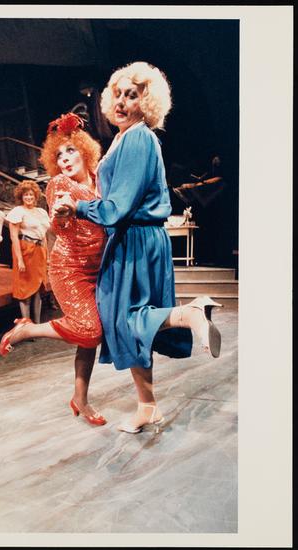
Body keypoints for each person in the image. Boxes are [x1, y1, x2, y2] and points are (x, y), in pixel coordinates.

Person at [56, 62, 222, 434]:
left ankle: (189, 313)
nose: (121, 102)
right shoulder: (124, 137)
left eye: (132, 96)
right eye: (117, 94)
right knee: (127, 322)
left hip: (135, 238)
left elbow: (118, 207)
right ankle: (148, 406)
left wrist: (79, 207)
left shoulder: (138, 138)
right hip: (131, 238)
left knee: (125, 318)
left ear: (146, 103)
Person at [0, 113, 107, 426]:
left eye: (70, 151)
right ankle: (28, 329)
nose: (64, 159)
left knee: (88, 338)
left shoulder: (101, 178)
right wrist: (61, 215)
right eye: (58, 155)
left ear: (85, 150)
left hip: (99, 267)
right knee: (91, 330)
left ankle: (80, 399)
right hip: (70, 268)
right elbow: (60, 228)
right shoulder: (59, 184)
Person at [5, 180, 50, 324]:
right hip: (25, 250)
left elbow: (44, 236)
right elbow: (13, 237)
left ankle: (37, 324)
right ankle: (26, 324)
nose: (29, 197)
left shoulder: (42, 212)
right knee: (25, 289)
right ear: (21, 197)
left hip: (39, 251)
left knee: (37, 289)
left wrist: (47, 256)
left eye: (31, 194)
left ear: (35, 196)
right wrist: (19, 260)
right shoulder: (18, 212)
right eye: (26, 195)